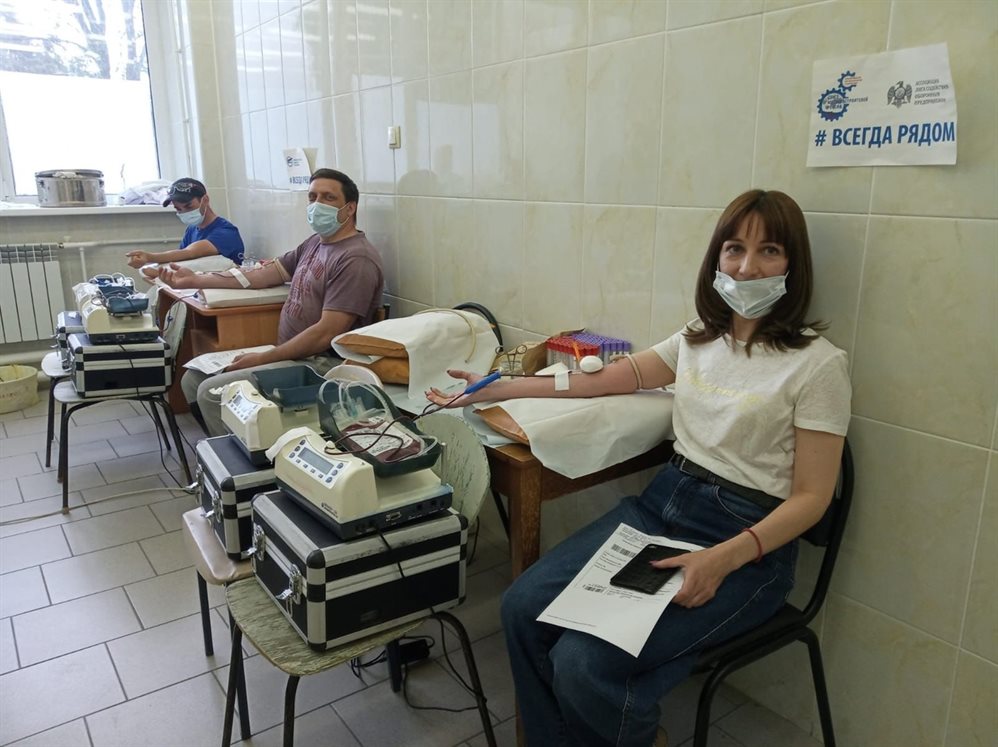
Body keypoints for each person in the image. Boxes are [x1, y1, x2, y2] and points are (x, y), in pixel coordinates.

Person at [427, 189, 851, 747]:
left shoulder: (818, 366)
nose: (747, 268)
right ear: (716, 258)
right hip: (663, 506)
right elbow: (605, 379)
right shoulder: (699, 337)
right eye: (734, 249)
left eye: (769, 251)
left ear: (793, 265)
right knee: (522, 608)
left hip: (747, 544)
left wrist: (721, 559)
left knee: (583, 664)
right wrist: (496, 387)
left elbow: (812, 498)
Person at [159, 168, 384, 436]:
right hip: (292, 354)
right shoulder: (315, 243)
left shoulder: (356, 259)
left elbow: (325, 334)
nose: (317, 204)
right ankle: (230, 445)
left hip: (319, 365)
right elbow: (263, 274)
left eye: (328, 197)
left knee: (211, 392)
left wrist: (262, 358)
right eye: (312, 197)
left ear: (350, 208)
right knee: (193, 379)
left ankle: (244, 460)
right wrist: (195, 279)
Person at [125, 178, 245, 274]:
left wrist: (149, 257)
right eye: (178, 209)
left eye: (189, 206)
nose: (184, 212)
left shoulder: (226, 232)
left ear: (205, 200)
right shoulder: (192, 229)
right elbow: (181, 258)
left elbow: (189, 253)